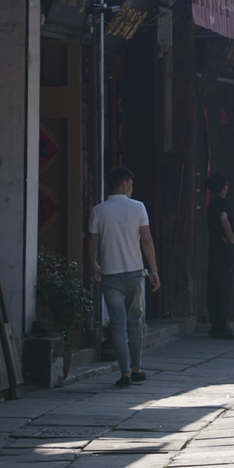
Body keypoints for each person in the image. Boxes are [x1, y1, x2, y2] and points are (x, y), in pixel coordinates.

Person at [88, 166, 160, 387]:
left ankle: (125, 373)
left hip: (110, 276)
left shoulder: (99, 210)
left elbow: (91, 242)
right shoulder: (138, 207)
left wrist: (93, 264)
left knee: (118, 325)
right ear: (124, 183)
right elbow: (146, 240)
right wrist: (153, 269)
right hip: (135, 274)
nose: (132, 188)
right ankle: (137, 368)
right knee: (135, 323)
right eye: (131, 184)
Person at [206, 173, 234, 340]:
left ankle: (215, 325)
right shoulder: (224, 203)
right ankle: (222, 326)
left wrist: (232, 229)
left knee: (214, 285)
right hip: (224, 250)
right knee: (224, 286)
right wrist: (230, 236)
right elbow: (223, 217)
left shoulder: (211, 204)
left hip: (213, 247)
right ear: (224, 188)